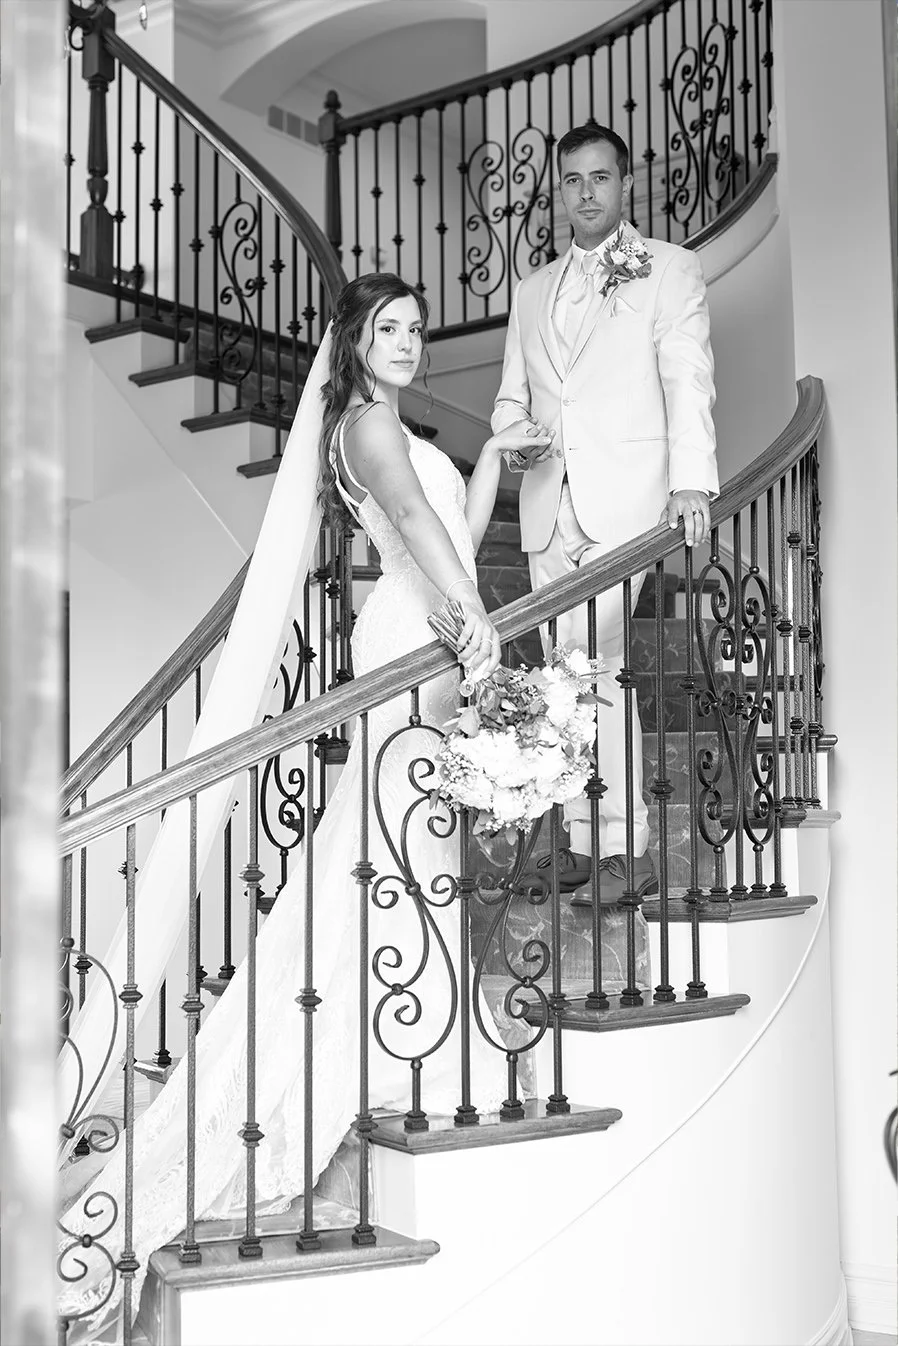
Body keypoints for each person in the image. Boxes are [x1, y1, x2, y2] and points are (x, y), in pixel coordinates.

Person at [58, 274, 552, 1343]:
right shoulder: (366, 425)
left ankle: (406, 1041)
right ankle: (382, 1053)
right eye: (389, 327)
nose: (408, 341)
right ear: (354, 342)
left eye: (417, 328)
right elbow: (410, 519)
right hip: (419, 637)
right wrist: (474, 624)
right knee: (395, 846)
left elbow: (448, 525)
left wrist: (492, 474)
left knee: (409, 851)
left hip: (433, 624)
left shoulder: (395, 428)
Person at [492, 122, 719, 906]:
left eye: (599, 177)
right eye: (571, 180)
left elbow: (687, 377)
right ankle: (580, 838)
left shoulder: (669, 268)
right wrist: (514, 440)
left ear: (624, 183)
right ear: (558, 190)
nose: (585, 192)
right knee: (565, 676)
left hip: (627, 502)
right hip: (547, 503)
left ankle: (627, 847)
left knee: (596, 662)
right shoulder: (531, 291)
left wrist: (692, 482)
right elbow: (511, 398)